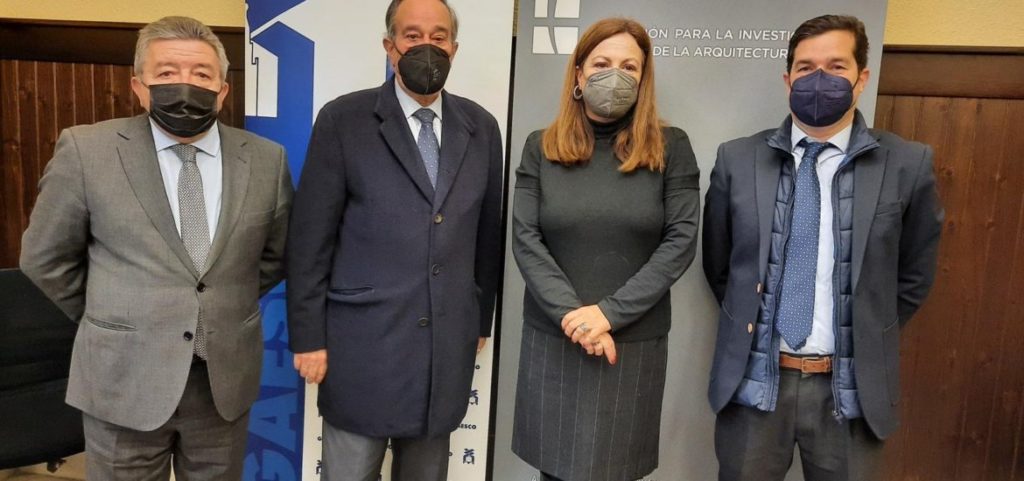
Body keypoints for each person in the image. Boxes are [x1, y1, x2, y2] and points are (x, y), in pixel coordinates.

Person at [19, 16, 292, 480]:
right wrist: (113, 314)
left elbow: (275, 255)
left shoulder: (266, 159)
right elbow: (45, 257)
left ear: (223, 90)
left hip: (221, 381)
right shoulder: (87, 151)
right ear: (139, 87)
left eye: (202, 74)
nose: (185, 85)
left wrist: (213, 307)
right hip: (123, 377)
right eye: (166, 72)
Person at [703, 14, 944, 481]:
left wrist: (866, 328)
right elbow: (721, 267)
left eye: (836, 67)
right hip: (754, 386)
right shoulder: (737, 159)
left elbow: (914, 277)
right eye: (806, 67)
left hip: (851, 394)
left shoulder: (907, 165)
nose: (819, 79)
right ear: (787, 79)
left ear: (861, 78)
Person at [285, 0, 503, 479]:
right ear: (390, 46)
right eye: (412, 35)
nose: (427, 46)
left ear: (455, 48)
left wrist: (479, 319)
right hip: (361, 347)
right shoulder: (344, 119)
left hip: (444, 350)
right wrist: (308, 336)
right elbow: (309, 239)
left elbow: (487, 234)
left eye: (439, 37)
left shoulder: (482, 127)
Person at [510, 17, 701, 481]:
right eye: (601, 63)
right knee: (555, 471)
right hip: (555, 337)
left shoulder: (672, 147)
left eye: (629, 67)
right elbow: (526, 239)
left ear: (643, 77)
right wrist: (577, 319)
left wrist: (608, 315)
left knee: (618, 472)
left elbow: (680, 242)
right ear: (579, 73)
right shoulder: (540, 147)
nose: (615, 75)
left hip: (631, 344)